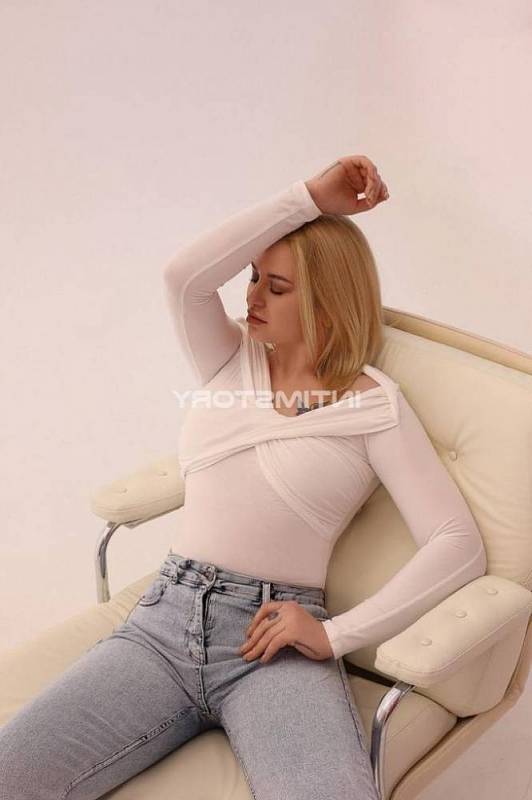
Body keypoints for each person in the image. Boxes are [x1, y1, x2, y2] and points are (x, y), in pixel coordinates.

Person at [0, 155, 487, 800]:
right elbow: (183, 278)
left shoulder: (374, 407)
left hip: (274, 643)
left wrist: (335, 634)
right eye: (254, 276)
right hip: (163, 624)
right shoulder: (230, 357)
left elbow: (457, 543)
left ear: (327, 300)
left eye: (276, 287)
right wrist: (309, 198)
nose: (251, 297)